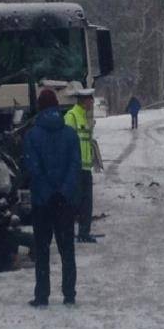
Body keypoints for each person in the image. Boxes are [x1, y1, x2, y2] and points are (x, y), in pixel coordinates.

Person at [23, 90, 81, 307]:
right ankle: (69, 293)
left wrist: (47, 193)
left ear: (39, 107)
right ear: (57, 106)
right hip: (65, 202)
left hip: (42, 203)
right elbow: (75, 165)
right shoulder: (70, 134)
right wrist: (64, 191)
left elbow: (33, 167)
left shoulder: (32, 135)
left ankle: (42, 294)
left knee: (42, 250)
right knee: (67, 250)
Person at [65, 88, 97, 243]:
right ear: (84, 101)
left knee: (86, 203)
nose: (93, 102)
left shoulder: (84, 116)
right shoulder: (71, 117)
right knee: (74, 202)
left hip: (85, 168)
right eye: (91, 99)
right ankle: (69, 232)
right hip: (75, 169)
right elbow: (67, 144)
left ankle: (84, 232)